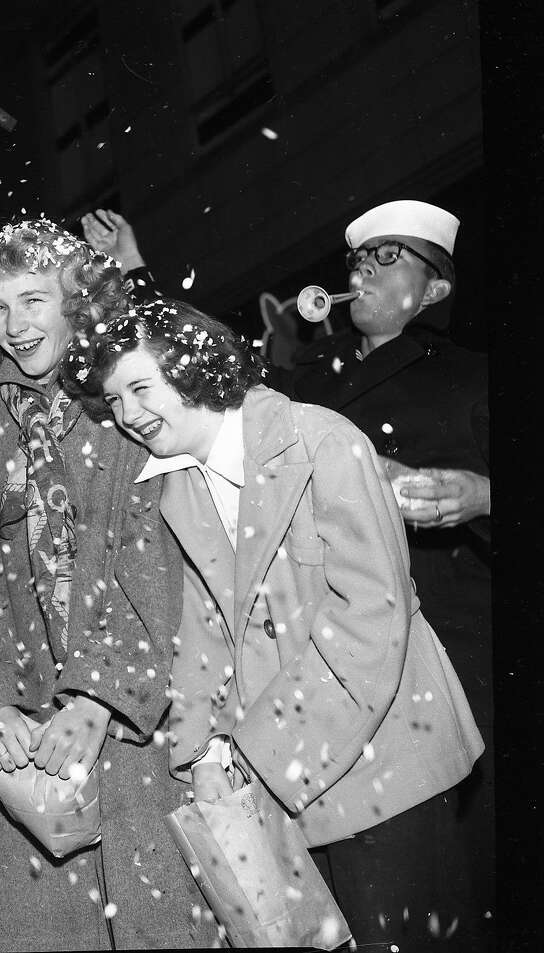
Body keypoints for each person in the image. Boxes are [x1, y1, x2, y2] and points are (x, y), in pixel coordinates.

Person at [65, 295, 485, 950]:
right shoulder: (180, 484)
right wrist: (201, 749)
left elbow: (370, 618)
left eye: (140, 388)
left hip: (387, 768)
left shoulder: (321, 440)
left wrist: (257, 752)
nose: (128, 415)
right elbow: (204, 629)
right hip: (293, 781)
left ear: (192, 365)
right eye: (115, 401)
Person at [0, 219, 213, 951]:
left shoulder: (120, 403)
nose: (16, 325)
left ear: (76, 300)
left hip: (142, 719)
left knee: (165, 920)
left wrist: (99, 693)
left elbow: (156, 552)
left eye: (33, 299)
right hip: (28, 741)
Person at [277, 199, 493, 946]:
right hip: (331, 653)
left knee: (457, 878)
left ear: (433, 290)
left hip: (455, 657)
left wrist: (483, 494)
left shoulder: (472, 376)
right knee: (359, 891)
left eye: (388, 256)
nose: (362, 269)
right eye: (358, 259)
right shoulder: (302, 380)